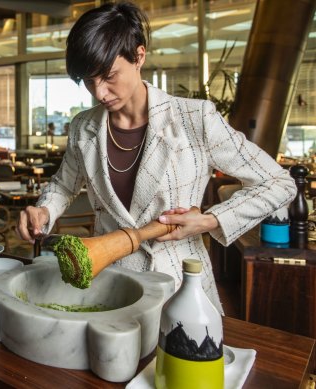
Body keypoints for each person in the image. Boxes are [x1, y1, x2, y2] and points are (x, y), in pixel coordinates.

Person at [15, 2, 296, 314]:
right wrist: (43, 211)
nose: (100, 92)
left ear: (139, 56)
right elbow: (64, 187)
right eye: (89, 81)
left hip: (179, 289)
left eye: (109, 76)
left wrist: (209, 220)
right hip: (110, 282)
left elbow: (278, 182)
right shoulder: (84, 127)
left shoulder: (195, 118)